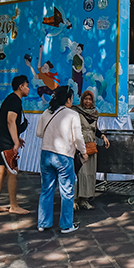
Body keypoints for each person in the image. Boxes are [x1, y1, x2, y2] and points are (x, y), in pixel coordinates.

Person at [35, 85, 86, 234]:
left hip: (46, 154)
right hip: (63, 156)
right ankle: (66, 225)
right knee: (67, 191)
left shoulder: (46, 112)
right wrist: (83, 152)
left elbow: (39, 133)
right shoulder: (72, 114)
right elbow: (78, 138)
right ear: (68, 99)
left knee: (46, 189)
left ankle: (43, 223)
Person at [0, 75, 31, 215]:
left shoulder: (10, 99)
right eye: (27, 85)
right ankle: (14, 206)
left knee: (1, 172)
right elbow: (10, 121)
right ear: (21, 86)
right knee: (13, 172)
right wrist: (15, 142)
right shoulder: (15, 101)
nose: (28, 88)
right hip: (5, 142)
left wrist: (17, 137)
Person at [72, 89, 109, 210]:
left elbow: (96, 129)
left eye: (90, 99)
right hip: (80, 147)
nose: (87, 101)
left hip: (91, 147)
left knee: (89, 173)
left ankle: (85, 199)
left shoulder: (94, 113)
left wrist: (103, 136)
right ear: (82, 100)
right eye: (85, 99)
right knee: (79, 173)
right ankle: (74, 199)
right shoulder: (76, 112)